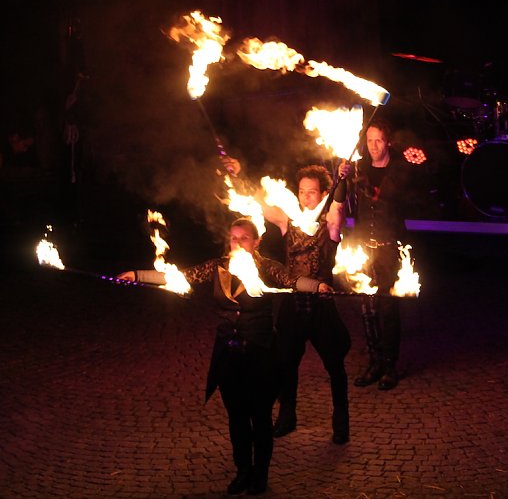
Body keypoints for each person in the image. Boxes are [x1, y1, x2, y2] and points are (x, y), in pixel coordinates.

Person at [116, 217, 327, 496]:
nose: (237, 243)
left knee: (260, 417)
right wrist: (137, 274)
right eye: (233, 238)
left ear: (256, 241)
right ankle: (243, 471)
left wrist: (317, 287)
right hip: (229, 352)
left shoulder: (266, 268)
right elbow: (181, 276)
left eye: (244, 238)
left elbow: (292, 280)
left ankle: (260, 475)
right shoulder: (218, 266)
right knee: (236, 415)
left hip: (260, 352)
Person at [224, 158, 351, 444]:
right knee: (284, 363)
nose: (306, 197)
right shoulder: (288, 223)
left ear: (322, 195)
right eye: (302, 191)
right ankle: (287, 414)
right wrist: (239, 173)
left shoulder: (329, 225)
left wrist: (343, 180)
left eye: (312, 192)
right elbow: (257, 201)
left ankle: (341, 417)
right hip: (293, 307)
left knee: (334, 365)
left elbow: (339, 207)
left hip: (321, 308)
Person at [338, 116, 422, 391]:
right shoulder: (358, 169)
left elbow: (389, 195)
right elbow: (341, 199)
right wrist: (342, 176)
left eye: (378, 140)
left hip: (389, 252)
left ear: (388, 142)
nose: (373, 146)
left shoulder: (400, 170)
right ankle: (374, 362)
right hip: (366, 251)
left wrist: (359, 179)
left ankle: (389, 366)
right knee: (367, 309)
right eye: (369, 140)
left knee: (388, 309)